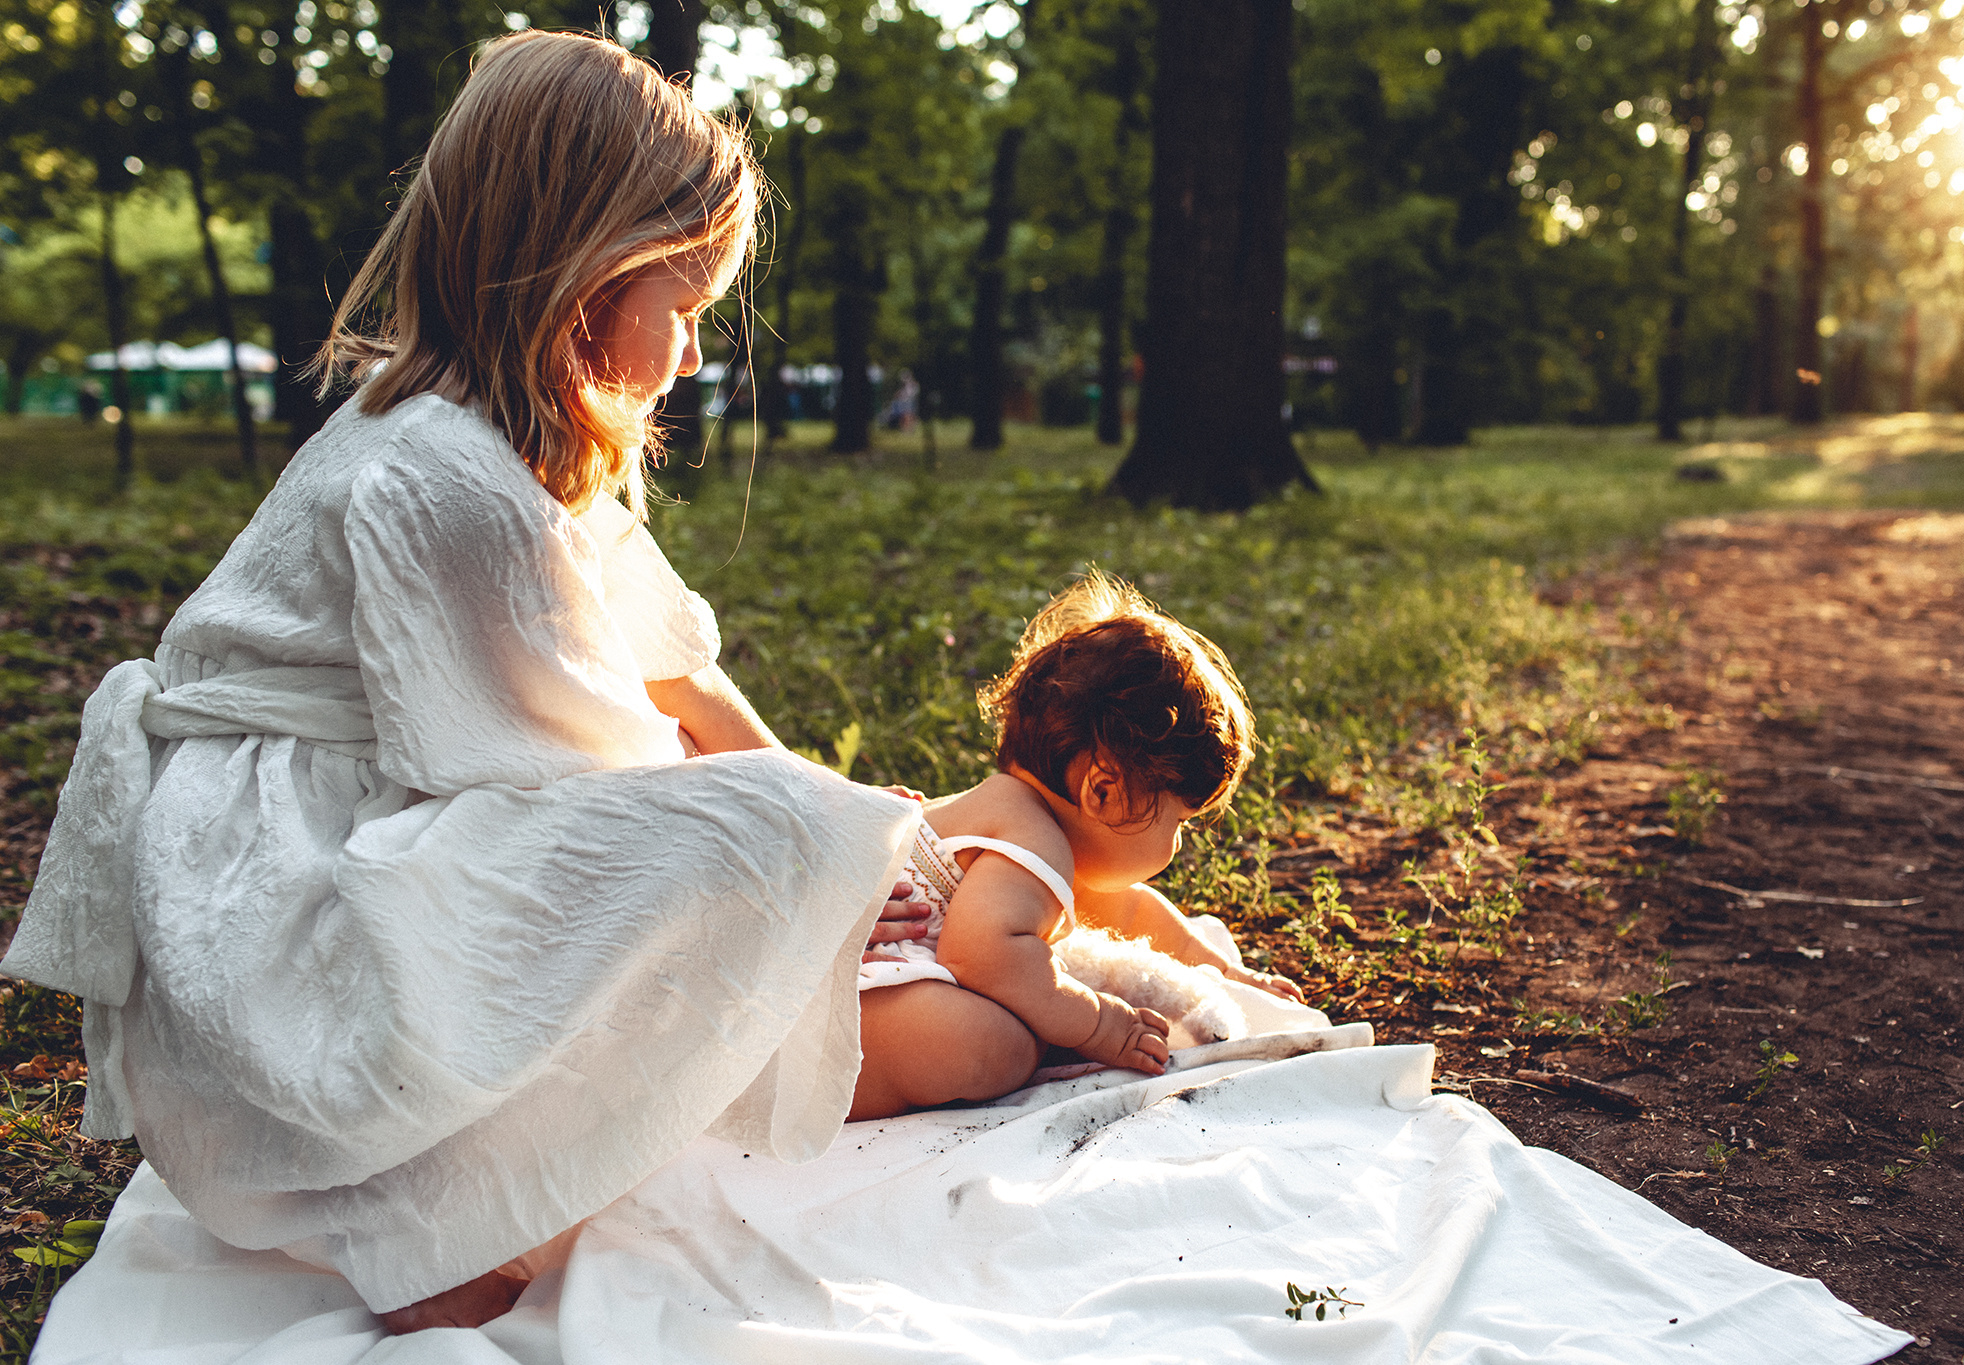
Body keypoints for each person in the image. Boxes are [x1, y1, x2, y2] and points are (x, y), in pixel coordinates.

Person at [1, 32, 934, 1333]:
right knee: (756, 828)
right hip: (277, 914)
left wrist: (839, 822)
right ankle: (420, 1195)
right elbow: (580, 770)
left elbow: (682, 677)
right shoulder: (444, 474)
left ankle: (444, 1195)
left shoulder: (523, 453)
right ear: (580, 278)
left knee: (788, 812)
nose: (689, 351)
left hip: (331, 843)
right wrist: (815, 856)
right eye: (681, 307)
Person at [851, 573, 1303, 1121]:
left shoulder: (1027, 827)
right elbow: (978, 955)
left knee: (1016, 1021)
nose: (1177, 845)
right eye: (1179, 822)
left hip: (872, 970)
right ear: (1104, 790)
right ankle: (802, 1088)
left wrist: (1220, 970)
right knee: (994, 1047)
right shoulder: (1032, 834)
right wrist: (1094, 1023)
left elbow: (1131, 908)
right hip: (852, 981)